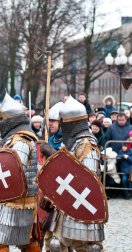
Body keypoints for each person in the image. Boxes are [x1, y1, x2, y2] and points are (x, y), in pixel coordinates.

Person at [41, 96, 105, 251]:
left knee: (90, 248)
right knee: (56, 245)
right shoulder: (73, 142)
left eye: (64, 123)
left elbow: (87, 179)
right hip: (66, 201)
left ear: (72, 123)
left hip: (82, 203)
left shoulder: (87, 144)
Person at [0, 94, 40, 251]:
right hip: (21, 198)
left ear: (10, 121)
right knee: (26, 240)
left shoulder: (20, 140)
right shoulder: (19, 138)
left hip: (15, 198)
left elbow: (14, 169)